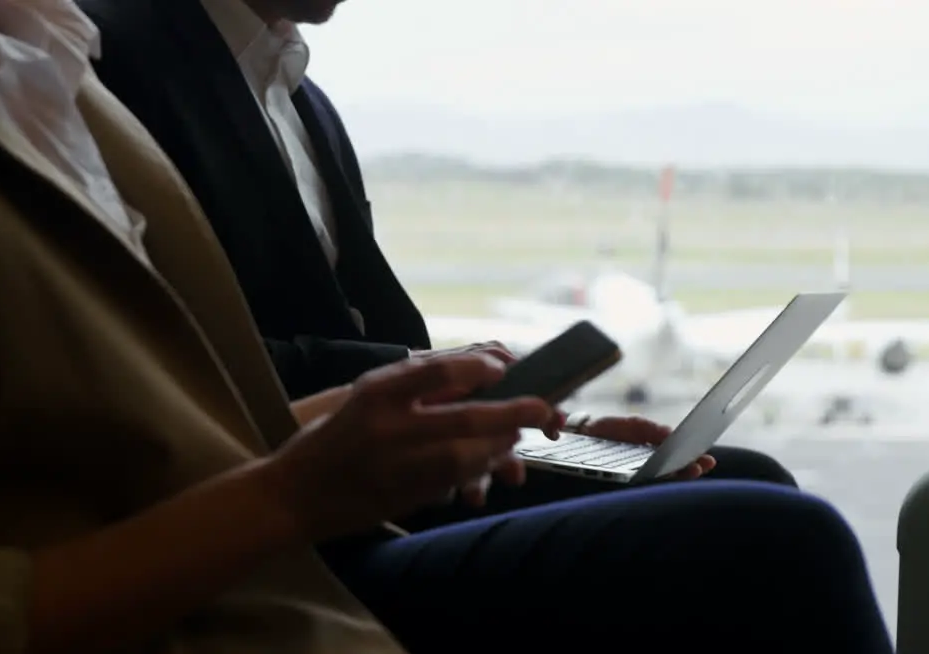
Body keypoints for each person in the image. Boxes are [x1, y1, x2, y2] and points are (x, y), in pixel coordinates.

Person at [0, 2, 916, 654]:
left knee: (750, 518)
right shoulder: (91, 61)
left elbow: (193, 395)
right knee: (767, 547)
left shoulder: (50, 64)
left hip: (273, 514)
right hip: (233, 571)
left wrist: (498, 414)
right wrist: (308, 479)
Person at [76, 0, 801, 502]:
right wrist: (415, 374)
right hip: (313, 495)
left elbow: (365, 332)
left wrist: (538, 427)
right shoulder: (105, 62)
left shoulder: (301, 97)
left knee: (741, 481)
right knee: (758, 504)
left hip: (403, 469)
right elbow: (162, 360)